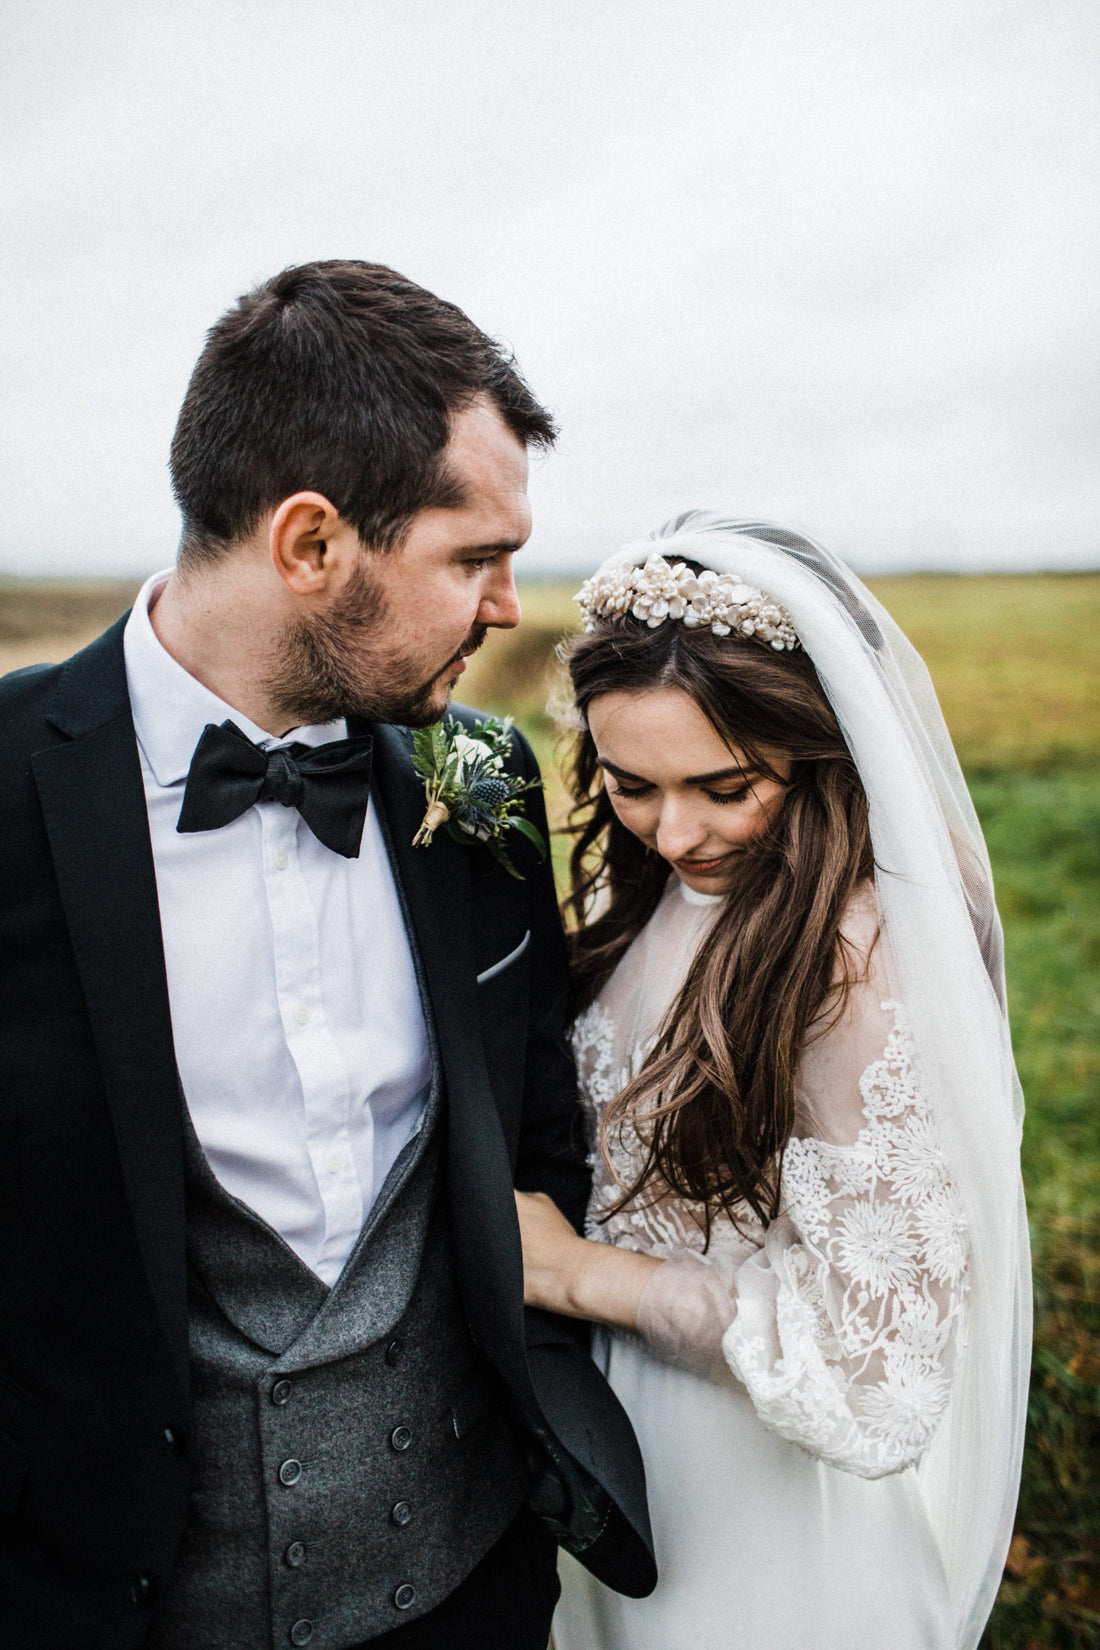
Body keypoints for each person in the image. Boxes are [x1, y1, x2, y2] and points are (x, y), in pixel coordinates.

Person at [0, 260, 655, 1650]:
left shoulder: (478, 776)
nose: (504, 606)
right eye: (473, 557)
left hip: (476, 1592)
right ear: (311, 544)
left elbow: (541, 1123)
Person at [515, 513, 1030, 1650]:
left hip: (755, 1489)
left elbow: (874, 1363)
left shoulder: (855, 958)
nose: (673, 831)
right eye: (630, 783)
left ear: (818, 747)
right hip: (606, 1455)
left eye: (724, 784)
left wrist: (580, 1275)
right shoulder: (656, 883)